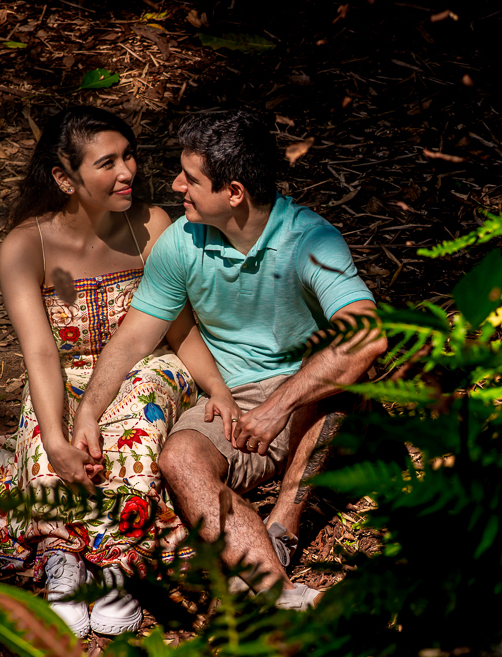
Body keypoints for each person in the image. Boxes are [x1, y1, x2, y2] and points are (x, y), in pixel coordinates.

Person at [0, 106, 240, 637]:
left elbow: (179, 326)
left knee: (136, 425)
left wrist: (218, 389)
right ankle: (63, 560)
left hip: (149, 364)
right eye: (107, 162)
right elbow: (40, 353)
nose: (128, 172)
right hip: (65, 371)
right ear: (64, 178)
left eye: (129, 155)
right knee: (52, 437)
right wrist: (56, 437)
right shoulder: (27, 244)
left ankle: (114, 567)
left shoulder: (152, 225)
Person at [72, 109, 386, 610]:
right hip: (232, 402)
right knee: (180, 457)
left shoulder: (309, 240)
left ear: (234, 192)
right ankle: (279, 594)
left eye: (190, 178)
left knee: (349, 371)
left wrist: (277, 406)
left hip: (307, 399)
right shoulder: (182, 242)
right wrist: (87, 410)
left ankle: (284, 520)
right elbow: (133, 338)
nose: (176, 185)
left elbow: (367, 336)